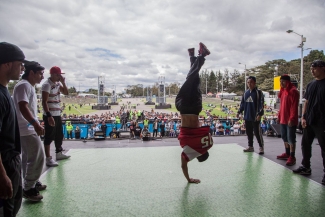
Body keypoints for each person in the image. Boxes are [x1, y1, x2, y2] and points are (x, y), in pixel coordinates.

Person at [175, 42, 213, 184]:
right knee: (191, 79)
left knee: (193, 80)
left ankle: (199, 56)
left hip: (195, 109)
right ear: (199, 156)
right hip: (183, 108)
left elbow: (204, 129)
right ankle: (198, 55)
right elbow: (183, 165)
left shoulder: (208, 144)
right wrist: (189, 179)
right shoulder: (189, 151)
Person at [13, 60, 47, 202]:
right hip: (26, 129)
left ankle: (31, 182)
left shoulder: (27, 85)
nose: (42, 77)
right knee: (38, 158)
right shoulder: (25, 85)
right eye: (40, 73)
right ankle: (28, 188)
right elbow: (22, 106)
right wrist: (35, 124)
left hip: (26, 128)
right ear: (31, 72)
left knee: (28, 158)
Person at [0, 42, 25, 216]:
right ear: (7, 64)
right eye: (20, 63)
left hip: (11, 162)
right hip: (5, 164)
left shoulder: (4, 92)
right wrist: (2, 175)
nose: (23, 68)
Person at [293, 60, 325, 185]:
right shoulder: (311, 84)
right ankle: (305, 167)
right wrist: (303, 117)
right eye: (311, 68)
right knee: (305, 144)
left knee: (324, 148)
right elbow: (306, 102)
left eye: (315, 68)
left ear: (323, 68)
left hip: (322, 122)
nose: (312, 70)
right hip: (310, 120)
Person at [42, 66, 70, 167]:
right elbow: (44, 102)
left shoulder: (58, 84)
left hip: (57, 114)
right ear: (53, 74)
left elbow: (66, 93)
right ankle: (48, 158)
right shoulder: (46, 85)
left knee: (59, 135)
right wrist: (49, 116)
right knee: (49, 136)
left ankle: (58, 153)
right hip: (50, 115)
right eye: (58, 75)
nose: (59, 77)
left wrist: (63, 83)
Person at [237, 76, 265, 154]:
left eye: (251, 82)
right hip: (247, 116)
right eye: (248, 82)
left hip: (255, 117)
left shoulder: (258, 92)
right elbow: (242, 104)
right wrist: (239, 111)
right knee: (249, 133)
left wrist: (259, 114)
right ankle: (250, 146)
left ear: (254, 83)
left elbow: (261, 104)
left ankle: (261, 147)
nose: (249, 84)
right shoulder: (245, 93)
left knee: (257, 132)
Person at [276, 75, 299, 166]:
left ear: (288, 82)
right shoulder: (283, 91)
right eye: (280, 81)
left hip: (290, 120)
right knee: (284, 137)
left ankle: (292, 157)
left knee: (291, 139)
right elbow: (281, 106)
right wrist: (279, 116)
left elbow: (294, 107)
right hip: (283, 119)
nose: (281, 83)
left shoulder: (293, 91)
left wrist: (292, 118)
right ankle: (287, 153)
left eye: (283, 81)